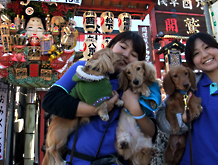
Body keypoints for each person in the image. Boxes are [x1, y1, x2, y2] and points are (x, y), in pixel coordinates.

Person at [42, 31, 160, 165]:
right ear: (110, 46)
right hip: (76, 160)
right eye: (123, 47)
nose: (126, 55)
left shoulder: (138, 87)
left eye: (133, 54)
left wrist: (135, 110)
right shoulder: (83, 69)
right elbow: (50, 100)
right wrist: (96, 109)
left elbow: (151, 132)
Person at [156, 32, 218, 165]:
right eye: (196, 53)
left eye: (207, 47)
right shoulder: (186, 88)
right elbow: (161, 120)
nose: (204, 55)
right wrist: (182, 120)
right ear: (193, 63)